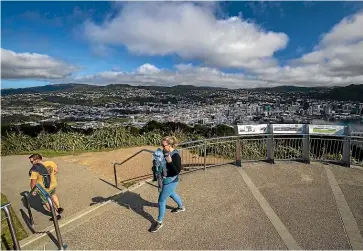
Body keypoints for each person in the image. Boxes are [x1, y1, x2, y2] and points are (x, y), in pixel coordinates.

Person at [150, 136, 185, 233]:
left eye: (163, 145)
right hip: (166, 180)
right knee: (172, 193)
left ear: (170, 145)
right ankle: (181, 207)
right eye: (161, 145)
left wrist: (170, 162)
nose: (162, 147)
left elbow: (177, 171)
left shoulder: (175, 155)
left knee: (161, 201)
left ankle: (159, 222)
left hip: (170, 181)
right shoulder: (164, 152)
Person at [28, 153, 64, 220]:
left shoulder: (35, 170)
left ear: (37, 160)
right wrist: (51, 175)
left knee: (46, 201)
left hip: (44, 188)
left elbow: (33, 182)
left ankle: (56, 215)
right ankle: (59, 208)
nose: (31, 163)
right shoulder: (51, 162)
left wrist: (33, 190)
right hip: (53, 184)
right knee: (53, 194)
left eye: (31, 161)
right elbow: (56, 171)